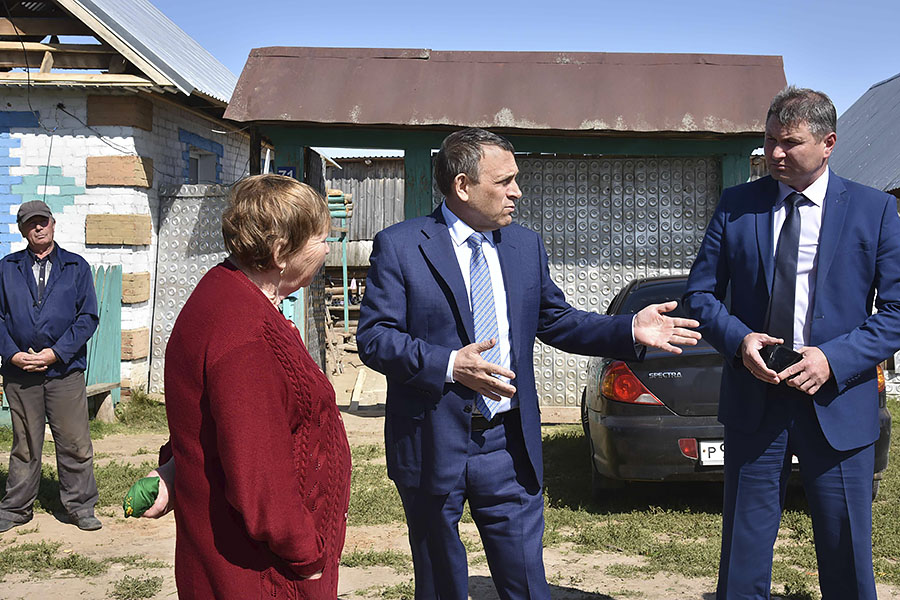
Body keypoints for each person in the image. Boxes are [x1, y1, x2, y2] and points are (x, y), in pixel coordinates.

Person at [356, 128, 701, 599]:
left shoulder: (523, 246)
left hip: (507, 443)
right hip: (431, 440)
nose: (517, 191)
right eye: (505, 181)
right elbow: (375, 337)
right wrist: (450, 364)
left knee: (526, 583)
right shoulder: (401, 246)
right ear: (463, 186)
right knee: (439, 583)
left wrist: (627, 330)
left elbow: (556, 320)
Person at [684, 86, 900, 599]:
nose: (775, 153)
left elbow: (896, 312)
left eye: (790, 142)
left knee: (846, 550)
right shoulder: (738, 205)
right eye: (769, 140)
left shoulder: (874, 210)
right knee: (743, 551)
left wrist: (832, 359)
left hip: (836, 400)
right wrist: (740, 341)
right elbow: (699, 296)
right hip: (755, 398)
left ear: (828, 143)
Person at [161, 174, 351, 599]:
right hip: (261, 572)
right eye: (321, 240)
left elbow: (212, 419)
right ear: (281, 252)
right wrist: (305, 553)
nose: (327, 250)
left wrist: (174, 466)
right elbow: (259, 473)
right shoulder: (245, 335)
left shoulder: (227, 292)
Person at [0, 200, 100, 532]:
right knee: (25, 444)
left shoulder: (75, 266)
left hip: (64, 371)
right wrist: (12, 354)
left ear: (53, 224)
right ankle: (16, 508)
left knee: (74, 441)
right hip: (20, 373)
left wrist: (56, 353)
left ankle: (80, 506)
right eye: (31, 223)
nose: (39, 227)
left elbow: (87, 318)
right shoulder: (6, 268)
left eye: (43, 221)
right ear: (22, 230)